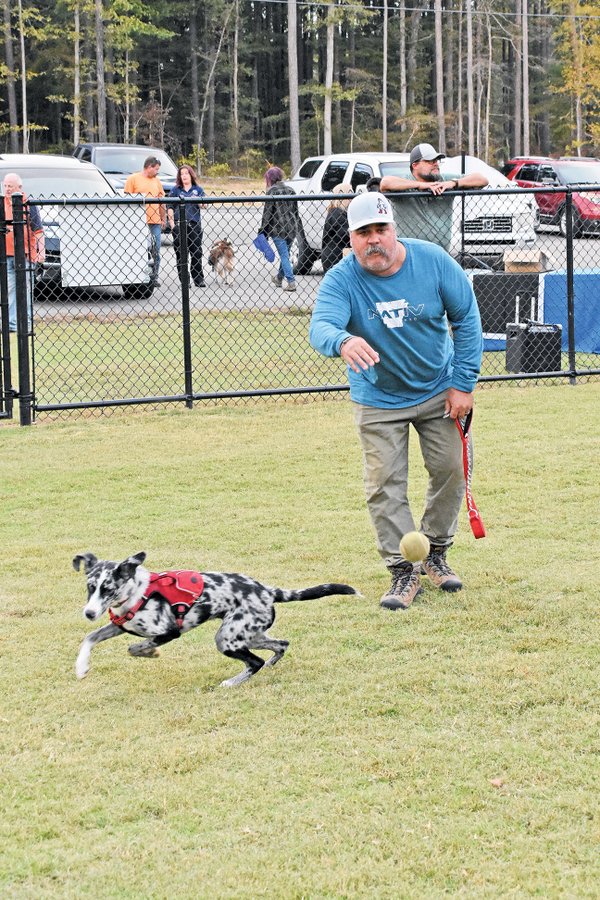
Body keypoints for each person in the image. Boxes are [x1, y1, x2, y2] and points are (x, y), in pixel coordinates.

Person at [309, 192, 483, 611]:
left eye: (380, 230)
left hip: (439, 388)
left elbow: (467, 317)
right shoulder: (341, 278)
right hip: (379, 397)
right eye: (363, 232)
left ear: (394, 229)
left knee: (452, 469)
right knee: (384, 482)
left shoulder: (434, 260)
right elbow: (321, 326)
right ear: (350, 238)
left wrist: (463, 383)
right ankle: (403, 572)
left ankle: (436, 553)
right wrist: (343, 339)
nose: (374, 240)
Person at [376, 142, 488, 252]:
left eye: (436, 160)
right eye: (429, 161)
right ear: (415, 165)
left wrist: (454, 183)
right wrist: (421, 185)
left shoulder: (444, 180)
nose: (435, 164)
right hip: (409, 254)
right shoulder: (404, 183)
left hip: (440, 254)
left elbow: (482, 179)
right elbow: (385, 183)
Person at [3, 172, 45, 333]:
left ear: (19, 188)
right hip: (7, 255)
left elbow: (38, 230)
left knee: (26, 289)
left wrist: (41, 251)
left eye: (10, 186)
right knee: (9, 289)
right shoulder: (3, 203)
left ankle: (25, 322)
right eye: (5, 186)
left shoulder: (28, 204)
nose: (7, 189)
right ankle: (12, 323)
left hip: (26, 255)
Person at [124, 155, 166, 281]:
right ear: (149, 167)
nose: (157, 172)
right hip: (138, 221)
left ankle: (154, 276)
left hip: (154, 221)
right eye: (156, 169)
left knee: (155, 250)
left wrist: (163, 218)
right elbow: (126, 199)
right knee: (138, 249)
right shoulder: (133, 179)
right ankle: (138, 275)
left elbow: (161, 201)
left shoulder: (157, 181)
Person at [260, 166, 301, 292]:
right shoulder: (291, 190)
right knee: (286, 254)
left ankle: (291, 282)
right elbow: (295, 212)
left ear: (270, 179)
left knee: (284, 255)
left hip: (277, 229)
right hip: (291, 228)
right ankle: (278, 278)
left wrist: (263, 231)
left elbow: (267, 214)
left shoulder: (272, 191)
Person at [167, 165, 206, 287]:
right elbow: (170, 207)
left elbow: (204, 204)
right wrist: (173, 225)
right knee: (181, 253)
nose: (184, 176)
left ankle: (198, 278)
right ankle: (184, 279)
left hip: (194, 225)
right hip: (179, 225)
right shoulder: (175, 190)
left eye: (186, 173)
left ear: (191, 175)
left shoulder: (197, 189)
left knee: (196, 252)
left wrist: (200, 201)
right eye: (181, 174)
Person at [321, 182, 353, 273]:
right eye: (350, 193)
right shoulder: (337, 213)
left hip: (334, 256)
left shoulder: (336, 212)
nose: (353, 197)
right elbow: (345, 235)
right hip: (334, 257)